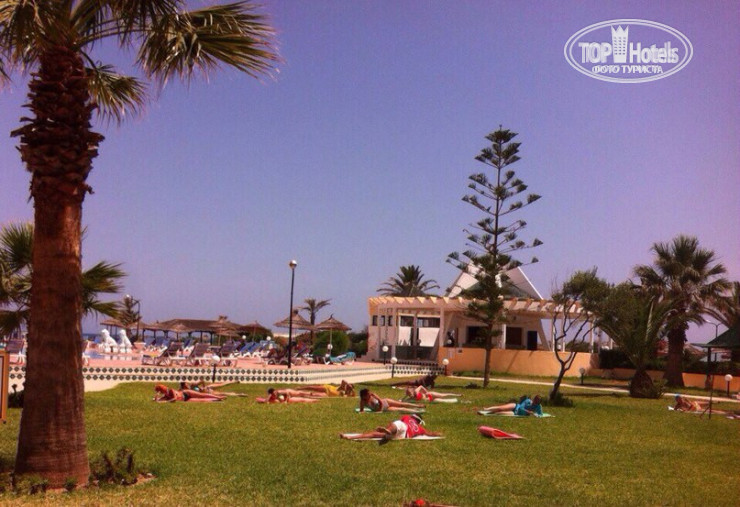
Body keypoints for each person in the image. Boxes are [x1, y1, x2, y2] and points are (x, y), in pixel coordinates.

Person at [341, 413, 442, 443]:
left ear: (413, 417)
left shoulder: (407, 417)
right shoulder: (420, 429)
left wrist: (389, 427)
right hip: (403, 436)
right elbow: (430, 434)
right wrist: (438, 434)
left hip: (403, 427)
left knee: (375, 433)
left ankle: (351, 437)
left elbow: (399, 422)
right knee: (380, 434)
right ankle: (388, 432)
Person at [359, 388, 424, 413]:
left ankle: (418, 406)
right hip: (385, 409)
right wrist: (362, 412)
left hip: (385, 402)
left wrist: (380, 410)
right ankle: (417, 411)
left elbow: (380, 401)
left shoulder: (373, 395)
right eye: (368, 393)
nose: (369, 394)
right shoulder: (362, 401)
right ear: (364, 395)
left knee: (401, 404)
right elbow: (361, 410)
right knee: (400, 409)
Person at [153, 384, 226, 402]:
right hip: (185, 399)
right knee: (202, 400)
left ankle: (218, 397)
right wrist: (157, 396)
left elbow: (174, 398)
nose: (160, 392)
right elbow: (158, 400)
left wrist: (166, 401)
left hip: (186, 393)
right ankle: (217, 400)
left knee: (202, 395)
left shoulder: (170, 390)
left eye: (159, 391)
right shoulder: (166, 395)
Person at [179, 381, 247, 397]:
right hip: (208, 392)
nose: (187, 385)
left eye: (186, 384)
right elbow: (179, 392)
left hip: (208, 388)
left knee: (221, 384)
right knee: (223, 393)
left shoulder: (192, 385)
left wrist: (204, 387)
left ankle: (234, 381)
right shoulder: (185, 390)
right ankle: (239, 394)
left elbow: (202, 381)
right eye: (185, 385)